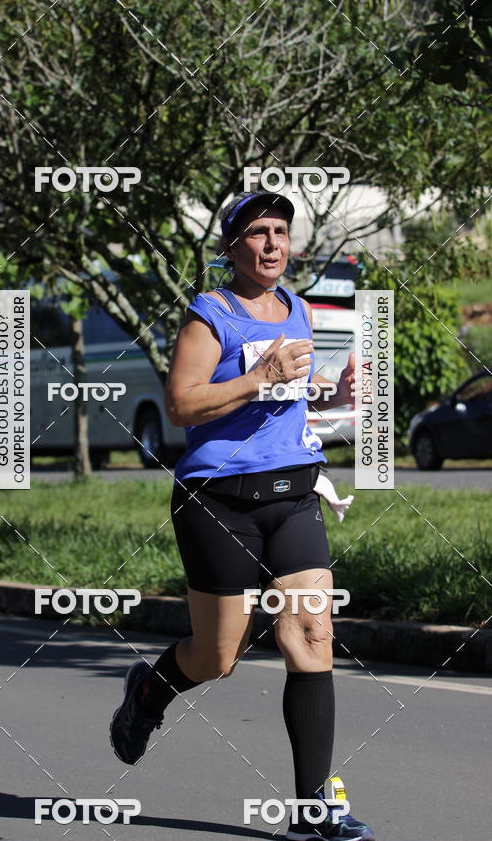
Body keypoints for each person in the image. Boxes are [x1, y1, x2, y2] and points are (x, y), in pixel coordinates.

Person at [110, 191, 375, 841]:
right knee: (217, 656)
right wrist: (259, 375)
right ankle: (151, 691)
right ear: (231, 248)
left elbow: (287, 402)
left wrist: (331, 394)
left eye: (281, 231)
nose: (272, 243)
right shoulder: (210, 315)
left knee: (311, 639)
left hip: (292, 495)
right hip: (217, 501)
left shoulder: (299, 309)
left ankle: (313, 809)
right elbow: (181, 405)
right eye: (257, 232)